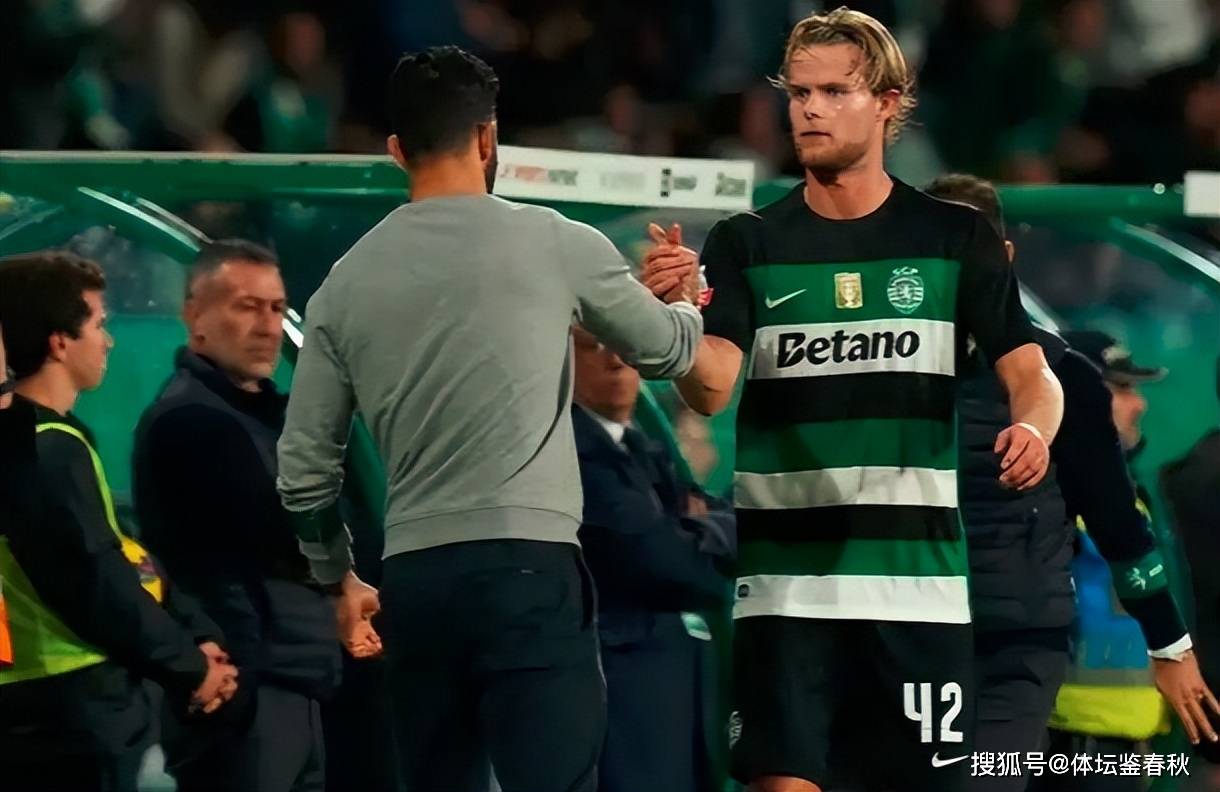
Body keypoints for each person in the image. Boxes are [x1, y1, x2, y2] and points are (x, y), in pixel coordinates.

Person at [642, 10, 1065, 792]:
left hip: (915, 592)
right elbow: (710, 388)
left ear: (887, 104)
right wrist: (668, 319)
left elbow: (1031, 371)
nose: (810, 108)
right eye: (800, 92)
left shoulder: (953, 238)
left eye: (835, 91)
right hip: (785, 594)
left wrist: (1034, 430)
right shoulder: (747, 242)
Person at [276, 47, 703, 792]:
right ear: (487, 137)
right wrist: (686, 299)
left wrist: (337, 577)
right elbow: (669, 352)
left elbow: (304, 473)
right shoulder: (557, 240)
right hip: (531, 571)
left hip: (416, 582)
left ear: (397, 150)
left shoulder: (342, 286)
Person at [925, 175, 1217, 792]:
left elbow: (1116, 523)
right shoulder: (869, 376)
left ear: (1005, 257)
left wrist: (1169, 645)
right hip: (897, 636)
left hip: (1017, 650)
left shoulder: (1064, 376)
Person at [0, 250, 238, 792]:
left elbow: (124, 560)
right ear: (59, 342)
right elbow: (95, 579)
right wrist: (189, 667)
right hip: (69, 705)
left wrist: (194, 639)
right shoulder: (45, 448)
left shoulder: (51, 440)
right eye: (98, 324)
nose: (107, 341)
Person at [132, 240, 341, 792]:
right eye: (247, 307)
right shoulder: (192, 421)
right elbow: (289, 538)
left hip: (292, 677)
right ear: (194, 315)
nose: (268, 326)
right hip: (246, 684)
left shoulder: (261, 419)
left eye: (277, 308)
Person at [570, 325, 735, 792]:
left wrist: (697, 529)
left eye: (624, 343)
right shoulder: (572, 451)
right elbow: (666, 561)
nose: (616, 360)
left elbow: (707, 523)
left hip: (669, 687)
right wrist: (701, 534)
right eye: (593, 346)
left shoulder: (638, 445)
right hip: (622, 691)